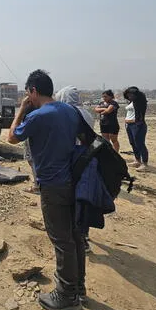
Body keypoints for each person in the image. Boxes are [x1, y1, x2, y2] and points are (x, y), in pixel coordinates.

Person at [7, 70, 85, 310]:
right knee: (75, 237)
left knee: (62, 241)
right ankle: (78, 287)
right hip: (73, 181)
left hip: (52, 185)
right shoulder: (70, 111)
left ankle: (66, 295)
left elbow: (11, 137)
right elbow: (83, 138)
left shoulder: (38, 116)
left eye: (27, 93)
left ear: (32, 91)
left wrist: (21, 109)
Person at [56, 85, 95, 253]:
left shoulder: (66, 114)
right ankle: (83, 234)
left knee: (71, 199)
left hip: (72, 160)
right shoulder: (86, 113)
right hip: (87, 159)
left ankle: (77, 238)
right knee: (82, 198)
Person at [123, 86, 149, 172]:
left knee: (140, 144)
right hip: (129, 125)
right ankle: (137, 160)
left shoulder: (140, 102)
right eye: (128, 95)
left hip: (137, 125)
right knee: (133, 143)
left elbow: (140, 117)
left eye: (130, 95)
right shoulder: (131, 102)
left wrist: (133, 121)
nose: (129, 96)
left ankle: (144, 163)